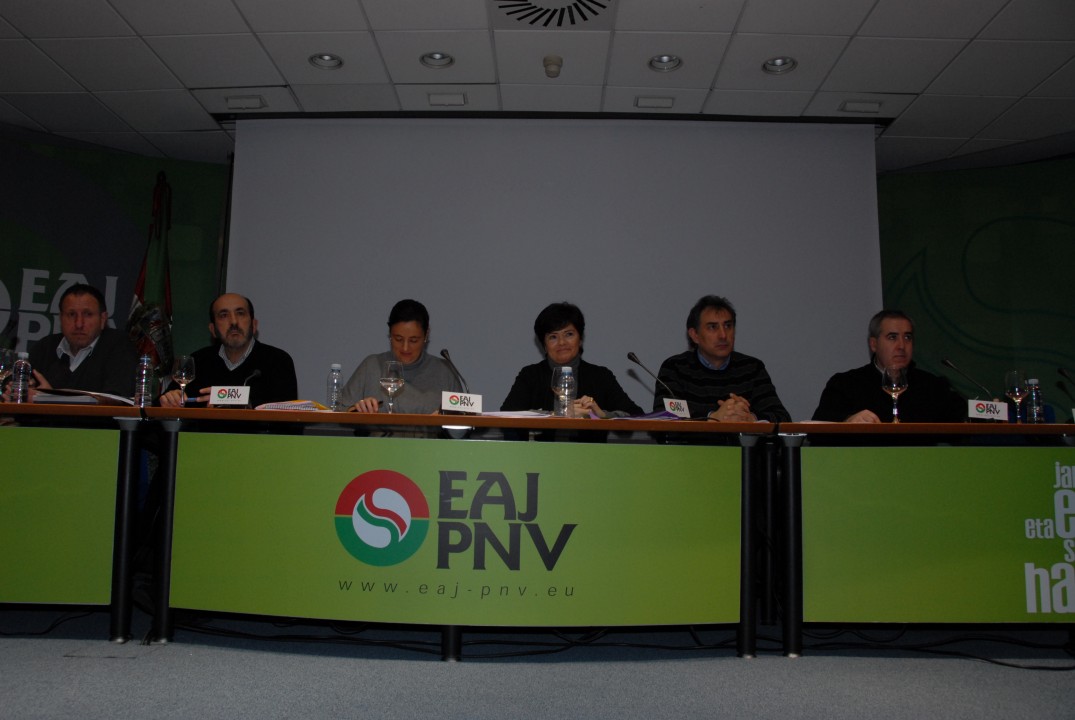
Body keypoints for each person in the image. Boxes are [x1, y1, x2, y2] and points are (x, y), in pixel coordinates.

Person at [811, 309, 965, 423]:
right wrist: (847, 421)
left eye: (907, 337)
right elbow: (818, 431)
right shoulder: (845, 384)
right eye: (892, 337)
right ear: (874, 344)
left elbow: (963, 423)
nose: (902, 346)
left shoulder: (932, 386)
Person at [654, 295, 790, 422]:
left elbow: (782, 417)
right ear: (695, 335)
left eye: (728, 326)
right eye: (713, 327)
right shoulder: (675, 368)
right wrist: (713, 418)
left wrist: (750, 418)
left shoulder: (752, 368)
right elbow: (666, 416)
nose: (723, 335)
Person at [501, 302, 643, 418]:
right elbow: (507, 415)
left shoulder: (600, 376)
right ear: (544, 345)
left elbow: (636, 415)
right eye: (553, 337)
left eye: (569, 334)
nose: (562, 342)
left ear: (580, 339)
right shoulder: (530, 375)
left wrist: (600, 415)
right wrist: (556, 415)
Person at [159, 293, 297, 408]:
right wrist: (168, 400)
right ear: (213, 330)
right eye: (224, 315)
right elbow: (158, 406)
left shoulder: (278, 360)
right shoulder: (198, 361)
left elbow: (287, 412)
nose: (234, 322)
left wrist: (236, 402)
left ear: (254, 325)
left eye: (240, 313)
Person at [340, 299, 461, 414]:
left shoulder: (445, 371)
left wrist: (441, 420)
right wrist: (356, 410)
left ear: (426, 335)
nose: (405, 348)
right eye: (398, 339)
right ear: (390, 334)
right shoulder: (372, 366)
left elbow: (462, 419)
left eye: (413, 340)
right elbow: (338, 411)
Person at [26, 283, 139, 398]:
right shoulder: (44, 348)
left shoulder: (119, 346)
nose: (79, 324)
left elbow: (115, 401)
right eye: (71, 314)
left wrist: (50, 400)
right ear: (61, 318)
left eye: (88, 314)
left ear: (102, 319)